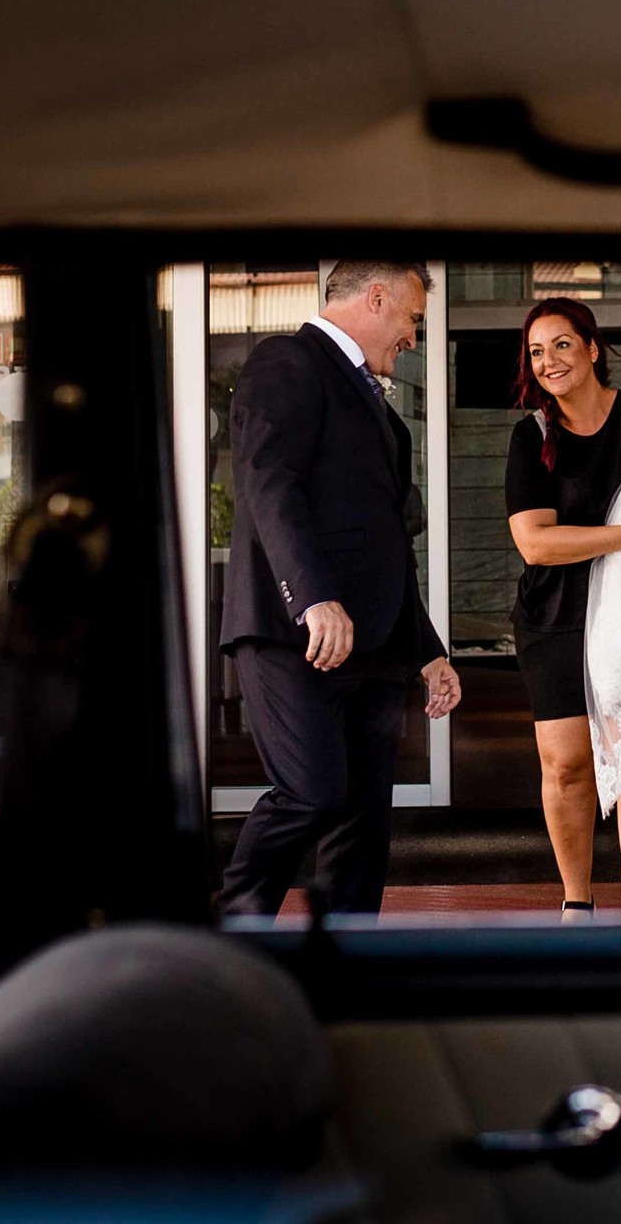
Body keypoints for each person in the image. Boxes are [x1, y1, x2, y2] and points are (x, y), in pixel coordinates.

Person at [218, 260, 461, 918]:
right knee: (311, 792)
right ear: (376, 298)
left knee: (361, 821)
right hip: (293, 631)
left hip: (379, 647)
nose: (413, 337)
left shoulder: (389, 420)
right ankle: (232, 936)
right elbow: (267, 482)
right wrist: (313, 596)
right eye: (412, 318)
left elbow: (390, 544)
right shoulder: (287, 362)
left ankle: (346, 958)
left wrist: (427, 649)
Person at [504, 298, 621, 920]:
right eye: (537, 352)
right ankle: (577, 901)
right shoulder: (533, 436)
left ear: (593, 348)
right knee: (567, 763)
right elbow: (535, 542)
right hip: (558, 616)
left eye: (563, 345)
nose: (549, 362)